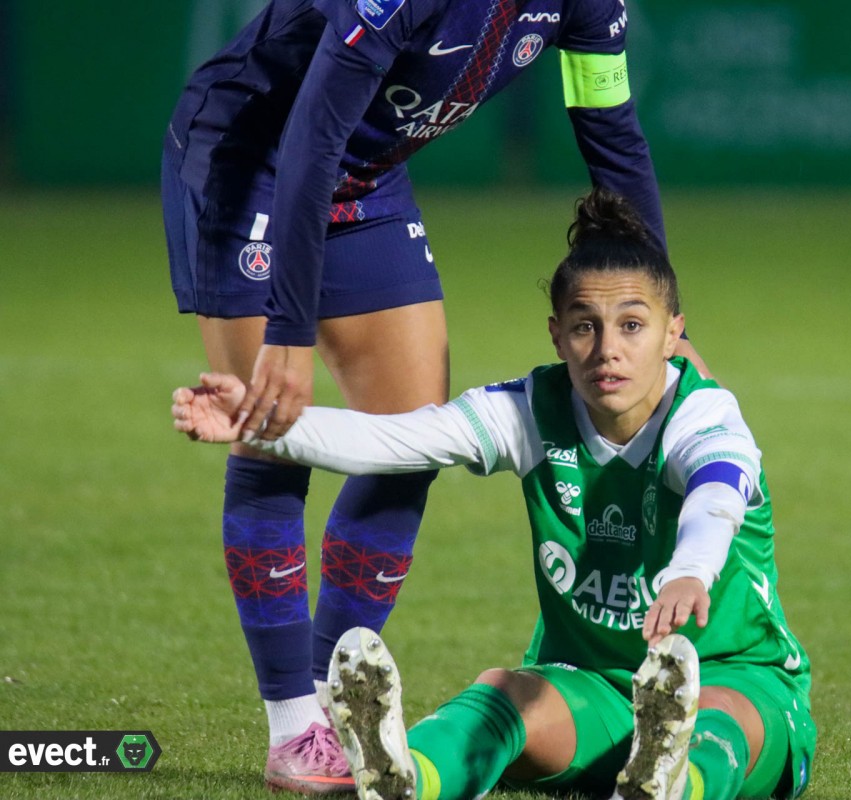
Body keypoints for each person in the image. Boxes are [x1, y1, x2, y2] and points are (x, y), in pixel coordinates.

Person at [163, 0, 709, 791]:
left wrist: (661, 319)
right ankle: (290, 726)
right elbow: (312, 128)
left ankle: (328, 702)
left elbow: (611, 131)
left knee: (410, 439)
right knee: (269, 429)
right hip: (254, 156)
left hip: (366, 177)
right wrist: (288, 329)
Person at [172, 189, 813, 800]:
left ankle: (672, 779)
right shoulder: (533, 409)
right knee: (501, 694)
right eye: (585, 327)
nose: (608, 350)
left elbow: (716, 497)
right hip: (591, 686)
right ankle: (403, 774)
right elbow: (399, 441)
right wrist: (262, 425)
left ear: (674, 334)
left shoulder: (706, 418)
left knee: (718, 725)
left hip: (737, 677)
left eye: (633, 326)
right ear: (557, 336)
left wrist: (689, 572)